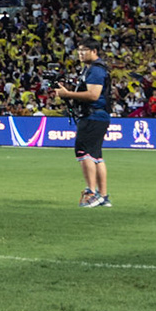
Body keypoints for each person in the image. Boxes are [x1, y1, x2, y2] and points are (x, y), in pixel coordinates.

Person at [55, 43, 112, 207]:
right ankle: (103, 196)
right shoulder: (93, 68)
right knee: (96, 156)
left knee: (84, 153)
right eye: (78, 51)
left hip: (92, 115)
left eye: (84, 50)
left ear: (94, 51)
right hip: (98, 116)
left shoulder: (95, 69)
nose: (80, 54)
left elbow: (93, 95)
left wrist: (68, 94)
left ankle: (91, 193)